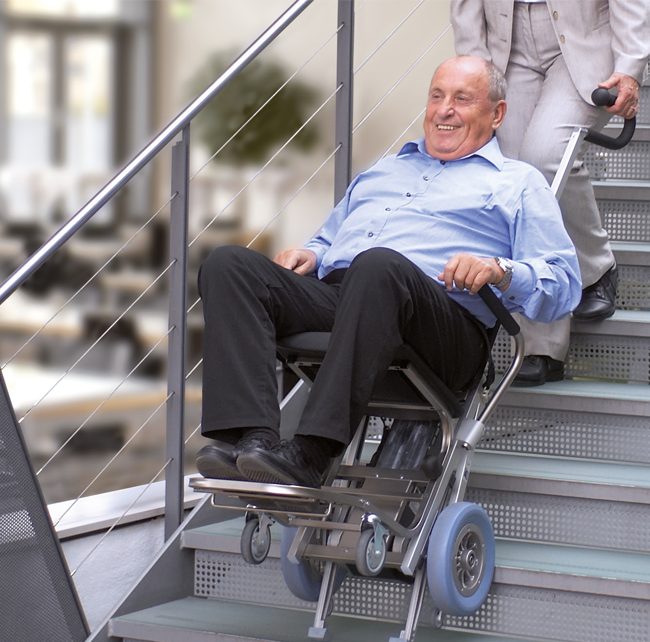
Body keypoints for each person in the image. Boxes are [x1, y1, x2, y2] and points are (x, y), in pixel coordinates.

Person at [195, 55, 582, 487]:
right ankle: (254, 443)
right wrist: (315, 255)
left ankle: (312, 452)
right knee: (229, 265)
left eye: (462, 99)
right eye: (437, 96)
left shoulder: (518, 182)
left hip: (443, 324)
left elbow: (564, 284)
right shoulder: (384, 170)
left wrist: (500, 270)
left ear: (497, 114)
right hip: (353, 296)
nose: (444, 109)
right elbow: (332, 237)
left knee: (378, 266)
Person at [450, 0, 650, 386]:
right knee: (515, 178)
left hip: (582, 40)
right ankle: (540, 345)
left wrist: (630, 67)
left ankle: (594, 267)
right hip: (505, 45)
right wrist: (474, 71)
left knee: (545, 158)